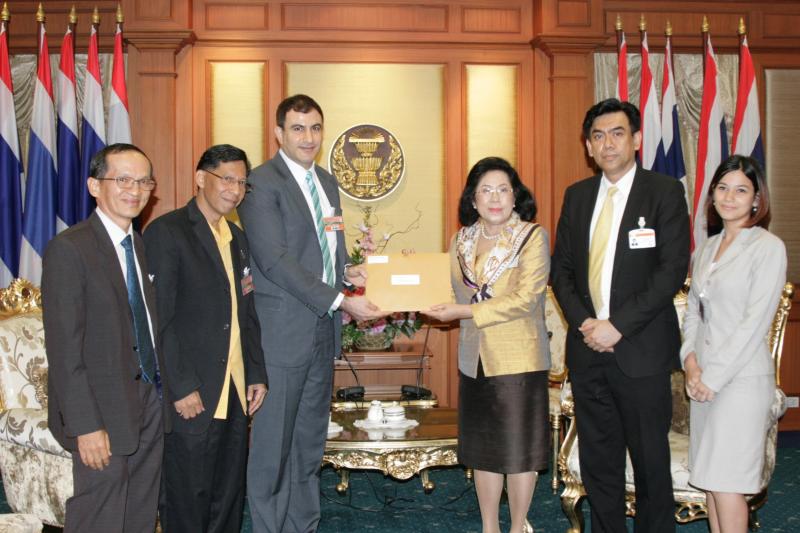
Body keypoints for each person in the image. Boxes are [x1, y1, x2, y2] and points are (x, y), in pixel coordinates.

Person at [238, 94, 385, 532]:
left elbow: (325, 251)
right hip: (283, 334)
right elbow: (275, 261)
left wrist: (348, 273)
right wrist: (341, 300)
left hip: (322, 331)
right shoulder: (260, 183)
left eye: (315, 128)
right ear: (279, 133)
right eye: (298, 128)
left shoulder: (326, 181)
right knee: (273, 449)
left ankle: (302, 526)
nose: (308, 137)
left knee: (308, 446)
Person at [551, 98, 690, 533]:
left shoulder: (663, 192)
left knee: (650, 464)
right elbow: (562, 272)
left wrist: (617, 327)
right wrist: (586, 325)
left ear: (636, 139)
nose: (607, 144)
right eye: (598, 136)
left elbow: (671, 272)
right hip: (588, 351)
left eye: (617, 133)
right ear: (588, 146)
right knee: (599, 465)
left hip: (640, 352)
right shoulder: (577, 196)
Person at [42, 143, 170, 532]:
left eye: (144, 182)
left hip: (148, 400)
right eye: (124, 180)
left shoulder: (137, 245)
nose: (136, 190)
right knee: (99, 517)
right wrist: (85, 426)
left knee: (139, 514)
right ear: (95, 186)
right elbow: (64, 351)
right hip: (100, 410)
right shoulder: (70, 249)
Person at [143, 144, 269, 533]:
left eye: (242, 183)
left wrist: (256, 373)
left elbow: (246, 313)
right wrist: (180, 385)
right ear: (200, 178)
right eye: (227, 179)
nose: (235, 190)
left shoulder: (237, 238)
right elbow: (158, 320)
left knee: (228, 496)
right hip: (192, 392)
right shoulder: (167, 232)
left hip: (234, 390)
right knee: (187, 497)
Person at [423, 157, 549, 533]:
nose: (495, 198)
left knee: (519, 451)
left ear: (516, 196)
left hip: (518, 357)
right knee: (483, 451)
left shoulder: (531, 237)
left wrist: (463, 311)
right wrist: (409, 286)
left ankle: (518, 526)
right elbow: (445, 291)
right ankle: (489, 526)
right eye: (486, 190)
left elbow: (526, 299)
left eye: (503, 189)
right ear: (473, 200)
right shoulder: (460, 241)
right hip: (473, 358)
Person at [681, 155, 786, 533]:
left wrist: (712, 378)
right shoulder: (705, 249)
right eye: (723, 188)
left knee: (728, 484)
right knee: (710, 482)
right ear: (712, 194)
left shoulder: (768, 247)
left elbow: (754, 324)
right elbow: (693, 314)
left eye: (741, 190)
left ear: (757, 199)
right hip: (702, 379)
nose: (729, 197)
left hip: (740, 381)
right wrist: (691, 363)